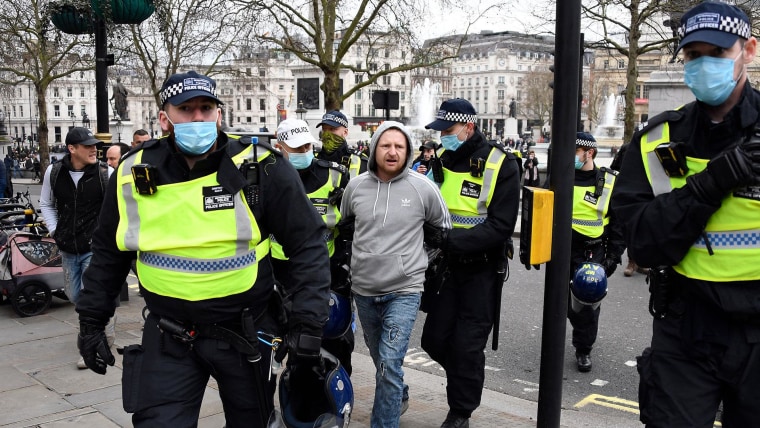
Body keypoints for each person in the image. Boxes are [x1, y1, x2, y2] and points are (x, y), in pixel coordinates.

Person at [74, 70, 330, 428]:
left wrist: (307, 323)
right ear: (165, 118)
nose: (198, 118)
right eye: (186, 109)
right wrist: (92, 320)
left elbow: (307, 245)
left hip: (244, 333)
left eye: (206, 108)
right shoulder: (133, 171)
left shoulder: (262, 165)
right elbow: (108, 252)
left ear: (219, 115)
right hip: (168, 335)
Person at [611, 2, 760, 426]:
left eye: (716, 53)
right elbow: (642, 241)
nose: (703, 65)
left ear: (748, 50)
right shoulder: (656, 140)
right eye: (693, 56)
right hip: (685, 331)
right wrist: (710, 184)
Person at [340, 121, 451, 428]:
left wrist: (416, 262)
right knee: (383, 363)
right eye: (386, 145)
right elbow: (346, 228)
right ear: (375, 148)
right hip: (364, 290)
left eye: (399, 146)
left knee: (389, 364)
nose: (392, 152)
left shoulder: (423, 187)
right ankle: (397, 390)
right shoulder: (355, 187)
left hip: (405, 289)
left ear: (408, 151)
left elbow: (443, 232)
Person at [420, 98, 520, 428]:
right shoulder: (441, 161)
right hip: (446, 268)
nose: (443, 137)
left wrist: (449, 241)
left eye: (448, 131)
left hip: (481, 270)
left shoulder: (499, 164)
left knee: (466, 347)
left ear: (468, 127)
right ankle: (466, 378)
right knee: (432, 340)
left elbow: (501, 226)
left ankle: (461, 412)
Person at [270, 118, 355, 374]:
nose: (304, 153)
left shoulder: (335, 175)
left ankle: (336, 394)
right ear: (279, 146)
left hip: (325, 269)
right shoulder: (267, 176)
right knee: (277, 342)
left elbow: (349, 224)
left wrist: (344, 263)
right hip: (279, 269)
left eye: (307, 146)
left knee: (334, 340)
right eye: (296, 149)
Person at [39, 127, 114, 369]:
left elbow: (116, 210)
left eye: (95, 145)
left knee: (90, 297)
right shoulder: (55, 172)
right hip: (68, 246)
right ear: (72, 149)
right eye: (88, 146)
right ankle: (104, 321)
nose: (95, 149)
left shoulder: (106, 174)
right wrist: (54, 231)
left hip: (95, 246)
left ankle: (93, 343)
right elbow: (46, 204)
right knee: (75, 296)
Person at [568, 132, 625, 372]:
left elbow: (619, 223)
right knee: (564, 303)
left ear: (588, 153)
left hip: (592, 252)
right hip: (563, 249)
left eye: (574, 151)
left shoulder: (609, 181)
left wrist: (613, 255)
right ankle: (579, 332)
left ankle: (584, 349)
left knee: (587, 305)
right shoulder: (561, 176)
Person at [608, 142, 648, 277]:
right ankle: (632, 261)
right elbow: (615, 167)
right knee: (631, 228)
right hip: (628, 192)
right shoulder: (628, 147)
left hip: (644, 192)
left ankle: (641, 260)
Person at [316, 110, 368, 179]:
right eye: (324, 129)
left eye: (332, 129)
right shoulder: (314, 157)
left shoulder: (360, 161)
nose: (327, 133)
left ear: (345, 132)